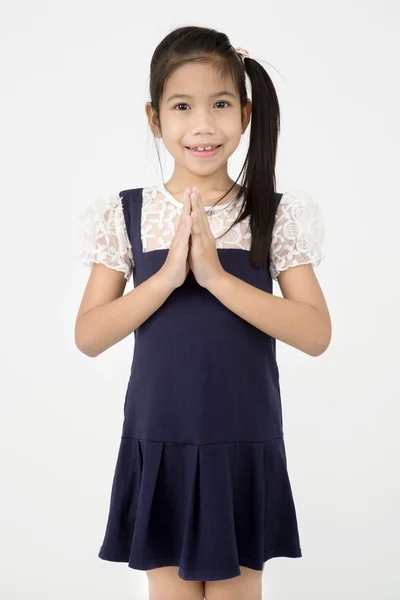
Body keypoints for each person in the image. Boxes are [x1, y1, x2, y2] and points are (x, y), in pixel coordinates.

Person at [75, 25, 331, 600]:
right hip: (160, 441)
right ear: (154, 116)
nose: (202, 125)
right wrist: (167, 277)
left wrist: (214, 276)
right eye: (182, 106)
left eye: (220, 105)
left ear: (244, 113)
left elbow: (315, 333)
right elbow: (89, 335)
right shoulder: (128, 214)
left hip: (242, 441)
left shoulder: (275, 213)